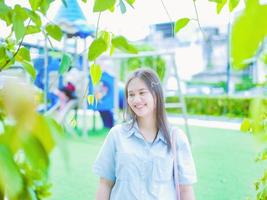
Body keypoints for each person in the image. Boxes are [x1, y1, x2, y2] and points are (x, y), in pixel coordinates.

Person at [93, 68, 197, 200]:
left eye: (142, 92)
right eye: (131, 94)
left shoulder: (176, 138)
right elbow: (105, 184)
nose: (136, 100)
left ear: (156, 95)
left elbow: (185, 190)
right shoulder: (116, 135)